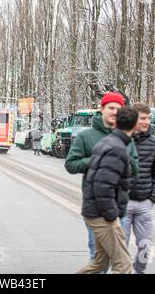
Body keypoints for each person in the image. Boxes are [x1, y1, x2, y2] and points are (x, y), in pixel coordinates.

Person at [65, 93, 139, 261]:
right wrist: (98, 160)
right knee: (99, 258)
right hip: (96, 206)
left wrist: (121, 161)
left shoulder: (127, 138)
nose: (114, 112)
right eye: (111, 108)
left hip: (120, 206)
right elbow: (71, 164)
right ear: (101, 109)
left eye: (118, 109)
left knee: (119, 256)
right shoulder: (86, 136)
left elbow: (135, 167)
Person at [122, 103, 155, 274]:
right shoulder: (122, 141)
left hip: (145, 203)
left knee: (145, 245)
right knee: (121, 245)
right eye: (142, 118)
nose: (146, 122)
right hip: (123, 203)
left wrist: (153, 197)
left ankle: (139, 270)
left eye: (148, 118)